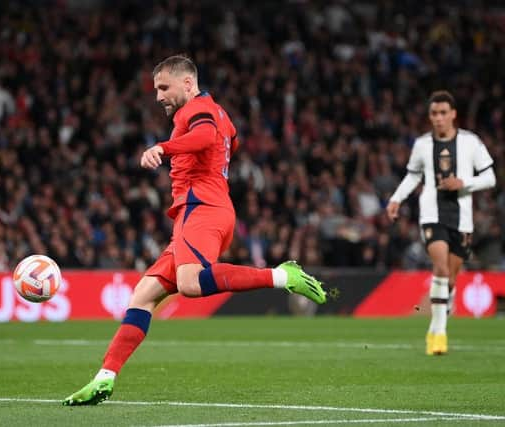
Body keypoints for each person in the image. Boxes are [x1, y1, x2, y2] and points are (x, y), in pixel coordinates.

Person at [63, 55, 326, 406]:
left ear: (187, 83)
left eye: (163, 87)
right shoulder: (220, 112)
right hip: (206, 210)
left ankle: (281, 276)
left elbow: (204, 137)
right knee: (142, 296)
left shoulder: (195, 111)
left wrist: (164, 147)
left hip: (200, 208)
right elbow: (228, 138)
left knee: (189, 284)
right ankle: (104, 378)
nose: (157, 96)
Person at [386, 91, 496, 356]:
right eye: (434, 113)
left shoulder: (471, 142)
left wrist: (464, 182)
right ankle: (438, 332)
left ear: (453, 114)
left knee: (450, 278)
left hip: (462, 217)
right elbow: (413, 176)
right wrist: (396, 198)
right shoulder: (422, 145)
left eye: (443, 113)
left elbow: (490, 178)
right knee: (441, 267)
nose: (438, 118)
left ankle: (442, 309)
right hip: (431, 213)